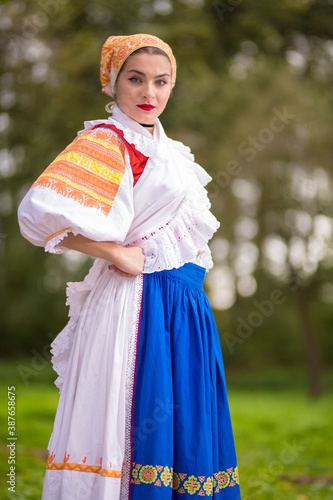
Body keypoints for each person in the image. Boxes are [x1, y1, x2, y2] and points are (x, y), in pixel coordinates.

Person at [18, 34, 241, 500]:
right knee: (133, 422)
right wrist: (115, 252)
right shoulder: (108, 141)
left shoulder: (173, 152)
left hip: (186, 305)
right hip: (138, 305)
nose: (149, 93)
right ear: (112, 83)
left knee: (188, 426)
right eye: (135, 80)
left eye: (161, 82)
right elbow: (37, 214)